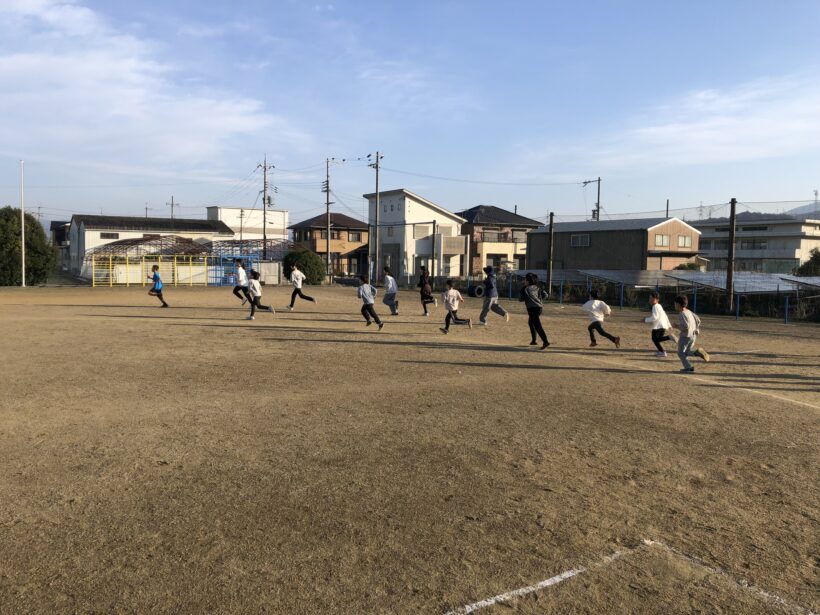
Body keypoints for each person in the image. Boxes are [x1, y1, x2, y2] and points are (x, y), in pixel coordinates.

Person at [672, 295, 710, 372]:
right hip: (693, 336)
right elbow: (698, 320)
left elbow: (685, 327)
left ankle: (688, 367)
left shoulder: (681, 314)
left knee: (680, 353)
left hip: (685, 336)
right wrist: (696, 328)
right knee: (686, 352)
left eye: (675, 304)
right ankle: (697, 353)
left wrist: (676, 326)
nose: (674, 305)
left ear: (678, 305)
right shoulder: (689, 311)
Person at [519, 273, 549, 349]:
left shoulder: (525, 289)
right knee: (531, 322)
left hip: (532, 309)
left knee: (537, 325)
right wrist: (539, 300)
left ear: (528, 281)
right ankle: (534, 340)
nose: (524, 281)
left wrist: (522, 293)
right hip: (539, 308)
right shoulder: (538, 287)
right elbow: (546, 295)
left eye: (525, 280)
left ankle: (545, 342)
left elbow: (520, 299)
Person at [643, 291, 675, 357]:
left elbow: (654, 317)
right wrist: (669, 325)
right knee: (658, 339)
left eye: (652, 298)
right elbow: (665, 315)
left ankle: (667, 341)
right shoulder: (659, 306)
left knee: (654, 339)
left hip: (658, 326)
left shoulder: (655, 306)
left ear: (657, 300)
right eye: (650, 298)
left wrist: (645, 320)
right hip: (663, 325)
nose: (650, 300)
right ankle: (662, 352)